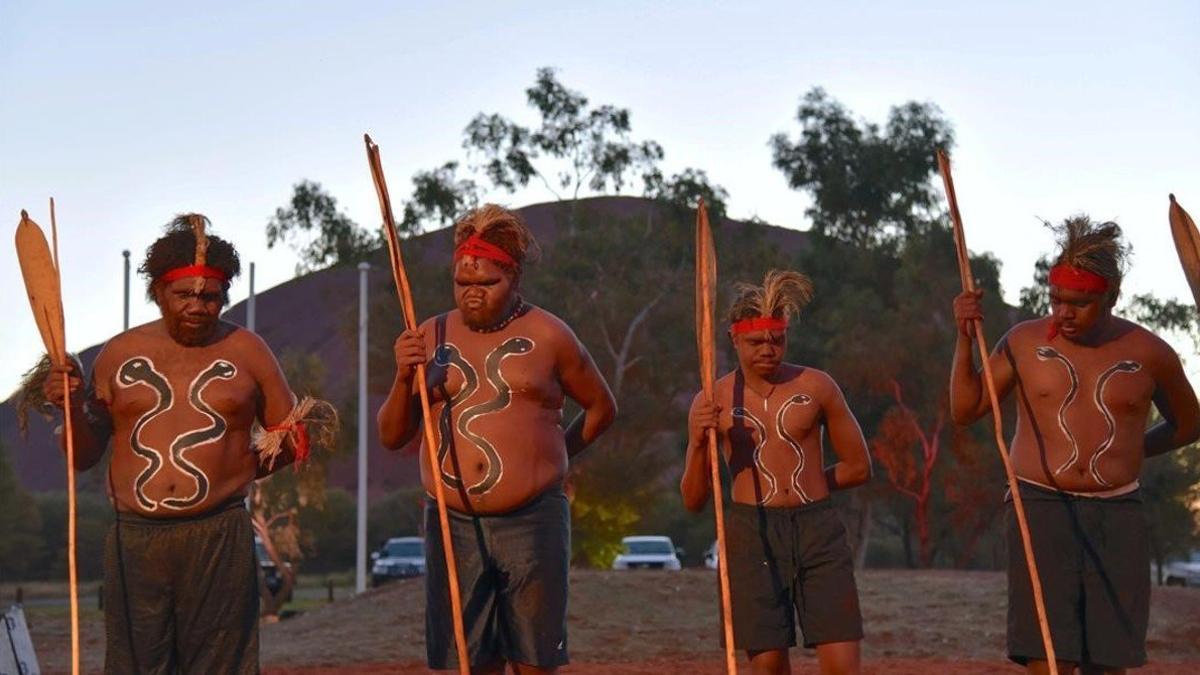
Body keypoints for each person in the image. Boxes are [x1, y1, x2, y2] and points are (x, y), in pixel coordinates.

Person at [35, 214, 327, 674]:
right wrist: (71, 407)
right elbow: (84, 456)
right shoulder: (118, 354)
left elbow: (294, 438)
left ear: (223, 296)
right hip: (135, 539)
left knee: (219, 666)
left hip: (219, 536)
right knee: (135, 666)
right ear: (158, 292)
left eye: (210, 297)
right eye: (184, 295)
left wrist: (235, 471)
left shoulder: (249, 352)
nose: (197, 306)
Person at [950, 217, 1200, 674]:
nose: (1063, 312)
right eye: (1057, 300)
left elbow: (1189, 424)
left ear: (1111, 297)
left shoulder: (1150, 352)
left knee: (1109, 660)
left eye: (1079, 304)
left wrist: (1129, 452)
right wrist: (964, 340)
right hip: (1041, 507)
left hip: (1119, 514)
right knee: (1050, 656)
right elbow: (965, 410)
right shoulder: (1023, 342)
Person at [377, 204, 617, 674]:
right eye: (463, 284)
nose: (473, 295)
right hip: (454, 525)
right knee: (470, 663)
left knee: (533, 660)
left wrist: (555, 456)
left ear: (516, 277)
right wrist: (405, 376)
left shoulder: (551, 336)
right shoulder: (429, 335)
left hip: (534, 520)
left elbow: (603, 408)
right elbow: (391, 435)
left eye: (488, 284)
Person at [681, 269, 872, 675]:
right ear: (734, 339)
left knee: (842, 662)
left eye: (776, 339)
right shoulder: (710, 399)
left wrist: (815, 487)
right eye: (755, 341)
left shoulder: (818, 386)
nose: (767, 349)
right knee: (767, 665)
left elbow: (859, 467)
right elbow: (694, 499)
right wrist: (698, 440)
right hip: (750, 534)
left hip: (817, 530)